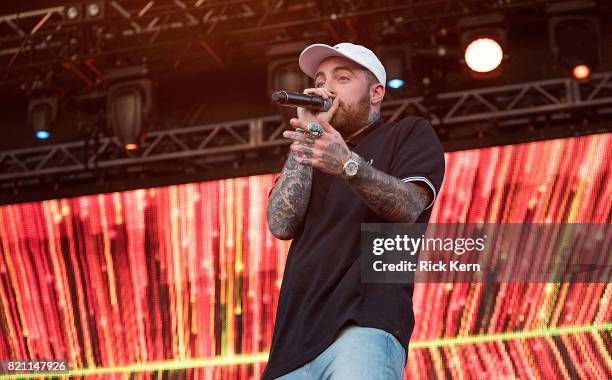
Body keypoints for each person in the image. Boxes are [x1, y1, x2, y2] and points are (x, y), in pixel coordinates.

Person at [262, 42, 445, 380]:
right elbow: (280, 224)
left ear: (376, 93)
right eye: (320, 79)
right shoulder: (311, 151)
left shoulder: (407, 133)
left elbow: (409, 206)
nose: (325, 88)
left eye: (342, 78)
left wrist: (347, 164)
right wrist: (307, 137)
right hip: (291, 343)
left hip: (364, 324)